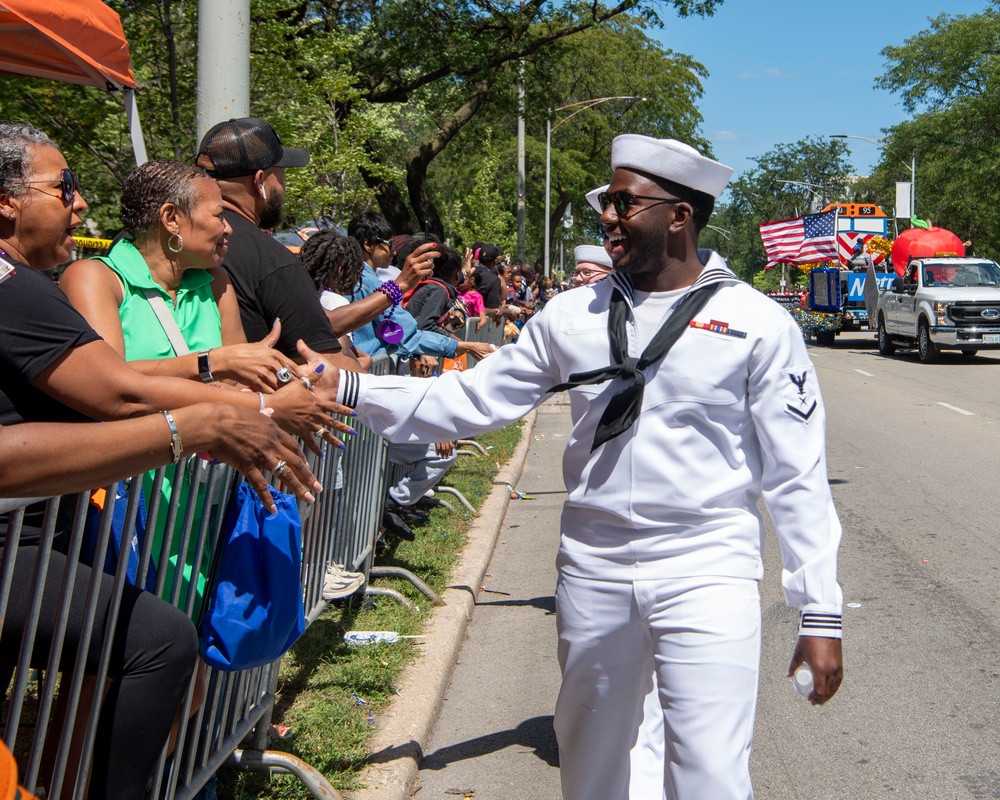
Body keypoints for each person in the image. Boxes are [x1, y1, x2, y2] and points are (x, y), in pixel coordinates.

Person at [326, 135, 844, 800]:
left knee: (710, 771)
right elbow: (472, 398)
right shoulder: (570, 315)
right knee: (592, 761)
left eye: (624, 203)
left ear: (679, 215)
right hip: (594, 564)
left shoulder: (757, 323)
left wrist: (819, 612)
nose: (606, 216)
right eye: (606, 201)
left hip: (707, 563)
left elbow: (797, 473)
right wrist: (347, 390)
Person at [194, 117, 356, 368]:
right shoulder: (273, 262)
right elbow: (328, 368)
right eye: (280, 177)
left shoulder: (146, 237)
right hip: (253, 404)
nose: (283, 188)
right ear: (259, 182)